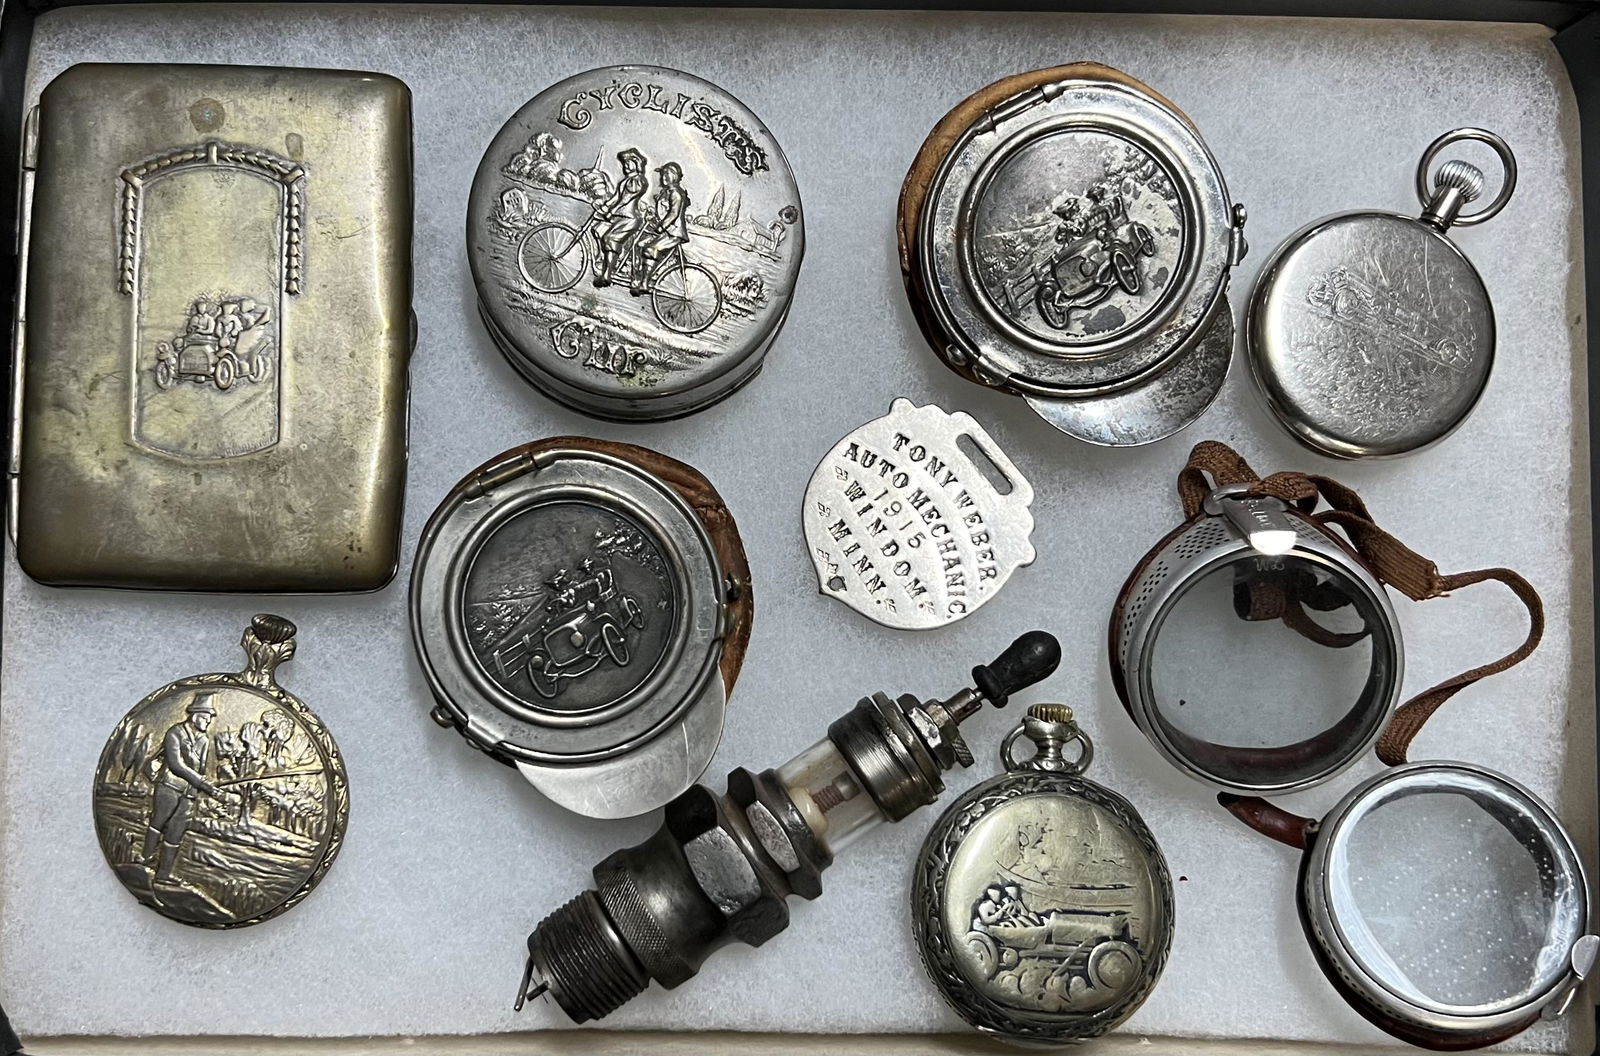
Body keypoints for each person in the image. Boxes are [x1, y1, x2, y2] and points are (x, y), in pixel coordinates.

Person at [142, 691, 233, 885]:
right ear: (196, 715)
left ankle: (164, 875)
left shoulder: (205, 740)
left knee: (176, 832)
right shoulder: (175, 733)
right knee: (158, 821)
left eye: (209, 719)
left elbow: (199, 769)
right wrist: (204, 785)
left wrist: (206, 787)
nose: (208, 723)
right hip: (169, 786)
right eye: (206, 718)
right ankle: (145, 860)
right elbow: (176, 765)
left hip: (189, 794)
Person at [592, 148, 649, 288]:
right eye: (625, 163)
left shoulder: (638, 180)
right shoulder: (625, 181)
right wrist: (605, 206)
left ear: (637, 164)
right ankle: (604, 259)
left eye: (630, 162)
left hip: (629, 218)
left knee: (610, 238)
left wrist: (610, 211)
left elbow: (625, 199)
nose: (626, 165)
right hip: (620, 216)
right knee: (598, 230)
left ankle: (607, 275)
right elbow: (616, 197)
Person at [633, 161, 690, 295]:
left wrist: (661, 227)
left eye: (666, 174)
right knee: (638, 242)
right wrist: (653, 218)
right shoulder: (668, 192)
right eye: (662, 174)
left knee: (650, 249)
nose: (663, 177)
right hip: (667, 231)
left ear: (674, 176)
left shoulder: (676, 193)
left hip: (674, 233)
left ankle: (645, 282)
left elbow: (673, 214)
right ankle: (637, 274)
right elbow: (664, 211)